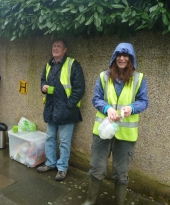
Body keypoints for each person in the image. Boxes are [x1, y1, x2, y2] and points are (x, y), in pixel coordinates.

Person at [82, 43, 148, 205]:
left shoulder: (139, 78)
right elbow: (96, 98)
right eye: (119, 55)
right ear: (114, 57)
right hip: (103, 131)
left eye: (126, 55)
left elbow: (144, 101)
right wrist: (106, 108)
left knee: (121, 172)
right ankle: (90, 201)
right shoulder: (103, 76)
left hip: (126, 135)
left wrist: (131, 108)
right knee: (96, 168)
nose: (122, 58)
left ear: (131, 59)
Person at [37, 39, 85, 181]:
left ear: (65, 50)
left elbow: (79, 88)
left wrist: (69, 105)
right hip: (51, 108)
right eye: (53, 46)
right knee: (50, 137)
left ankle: (62, 168)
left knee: (64, 141)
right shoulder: (48, 64)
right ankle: (50, 163)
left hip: (67, 111)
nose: (55, 48)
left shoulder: (73, 64)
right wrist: (43, 87)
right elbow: (42, 80)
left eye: (58, 46)